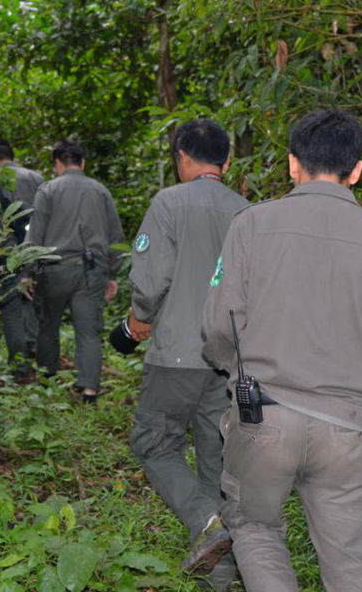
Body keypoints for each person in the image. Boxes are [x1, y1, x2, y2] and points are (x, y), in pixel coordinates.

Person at [200, 109, 362, 591]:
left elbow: (219, 326)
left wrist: (236, 368)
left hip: (262, 416)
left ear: (291, 164)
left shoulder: (250, 225)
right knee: (352, 563)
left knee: (256, 528)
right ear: (357, 171)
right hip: (348, 425)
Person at [126, 120, 247, 590]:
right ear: (227, 162)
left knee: (154, 443)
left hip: (176, 353)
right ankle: (222, 573)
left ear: (181, 156)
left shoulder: (169, 203)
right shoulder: (247, 212)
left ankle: (205, 521)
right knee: (218, 459)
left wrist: (139, 318)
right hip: (230, 358)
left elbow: (151, 281)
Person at [23, 138, 125, 403]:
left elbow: (35, 234)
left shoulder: (47, 190)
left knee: (48, 326)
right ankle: (90, 391)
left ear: (58, 163)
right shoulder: (100, 191)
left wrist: (27, 273)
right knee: (89, 332)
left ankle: (48, 381)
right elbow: (115, 236)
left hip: (53, 270)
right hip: (91, 272)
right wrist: (113, 273)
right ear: (83, 163)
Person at [0, 140, 45, 376]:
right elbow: (48, 213)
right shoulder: (36, 178)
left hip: (4, 253)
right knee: (33, 299)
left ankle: (19, 365)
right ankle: (37, 351)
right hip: (34, 249)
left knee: (11, 307)